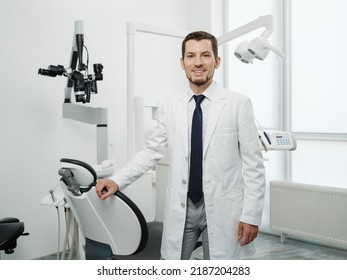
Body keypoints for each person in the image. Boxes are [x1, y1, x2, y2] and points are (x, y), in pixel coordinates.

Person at [96, 31, 265, 260]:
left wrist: (251, 215)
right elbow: (151, 151)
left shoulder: (238, 104)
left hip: (225, 207)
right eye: (190, 56)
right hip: (182, 205)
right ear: (182, 62)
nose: (197, 62)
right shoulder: (171, 106)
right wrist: (117, 180)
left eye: (205, 55)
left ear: (217, 61)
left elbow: (253, 165)